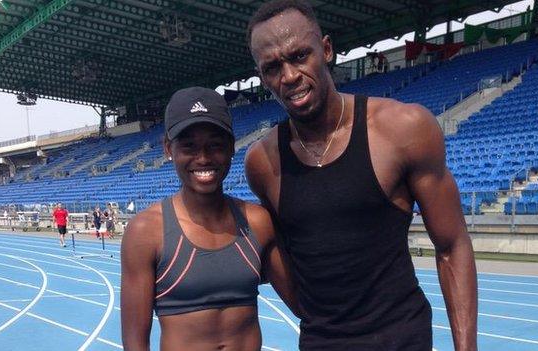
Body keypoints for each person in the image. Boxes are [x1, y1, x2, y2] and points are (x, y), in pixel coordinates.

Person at [245, 1, 478, 350]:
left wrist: (466, 347)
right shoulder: (262, 162)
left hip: (403, 340)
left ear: (326, 50)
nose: (289, 75)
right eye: (273, 67)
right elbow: (284, 254)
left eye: (299, 56)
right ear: (262, 77)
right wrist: (317, 319)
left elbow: (452, 245)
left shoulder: (403, 129)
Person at [120, 87, 296, 351]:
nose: (203, 158)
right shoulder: (146, 231)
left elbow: (303, 304)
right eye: (189, 146)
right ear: (168, 149)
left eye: (215, 145)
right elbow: (135, 342)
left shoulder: (257, 223)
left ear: (231, 147)